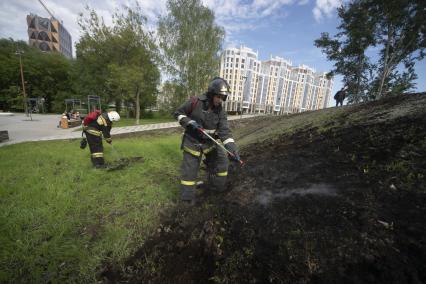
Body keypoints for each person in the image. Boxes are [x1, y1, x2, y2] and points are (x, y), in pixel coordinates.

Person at [174, 77, 241, 205]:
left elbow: (225, 132)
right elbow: (178, 113)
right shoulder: (195, 102)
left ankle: (216, 189)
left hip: (209, 143)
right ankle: (186, 201)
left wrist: (232, 149)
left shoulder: (221, 111)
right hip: (192, 142)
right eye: (219, 97)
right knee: (189, 173)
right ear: (212, 94)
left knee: (222, 161)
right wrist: (189, 122)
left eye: (223, 98)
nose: (221, 100)